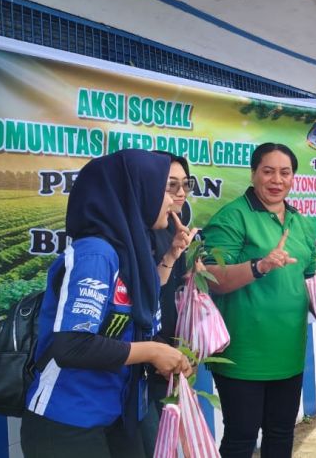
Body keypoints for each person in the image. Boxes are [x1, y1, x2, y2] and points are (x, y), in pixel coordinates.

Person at [20, 149, 193, 458]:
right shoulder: (95, 255)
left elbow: (133, 311)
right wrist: (153, 352)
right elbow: (73, 345)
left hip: (114, 412)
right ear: (135, 193)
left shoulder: (129, 251)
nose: (172, 200)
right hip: (69, 420)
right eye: (162, 189)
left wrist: (169, 258)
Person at [202, 142, 316, 458]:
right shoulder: (232, 217)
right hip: (244, 354)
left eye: (285, 172)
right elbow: (210, 277)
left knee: (281, 435)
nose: (276, 180)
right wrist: (260, 265)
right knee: (241, 438)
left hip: (289, 350)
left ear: (293, 177)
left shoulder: (301, 223)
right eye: (268, 171)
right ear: (253, 174)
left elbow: (308, 278)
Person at [140, 151, 200, 457]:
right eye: (170, 185)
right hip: (143, 359)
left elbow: (168, 291)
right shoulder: (133, 237)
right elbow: (139, 302)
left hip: (168, 354)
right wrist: (155, 350)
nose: (179, 193)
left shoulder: (173, 231)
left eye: (185, 184)